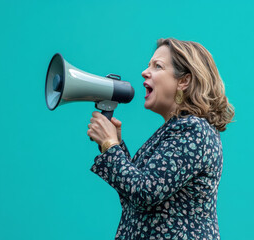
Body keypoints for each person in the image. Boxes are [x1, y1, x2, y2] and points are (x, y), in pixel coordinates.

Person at [87, 38, 234, 240]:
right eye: (148, 65)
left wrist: (110, 146)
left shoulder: (193, 131)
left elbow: (145, 193)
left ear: (184, 81)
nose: (145, 72)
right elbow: (135, 200)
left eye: (157, 66)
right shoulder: (175, 130)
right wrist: (116, 147)